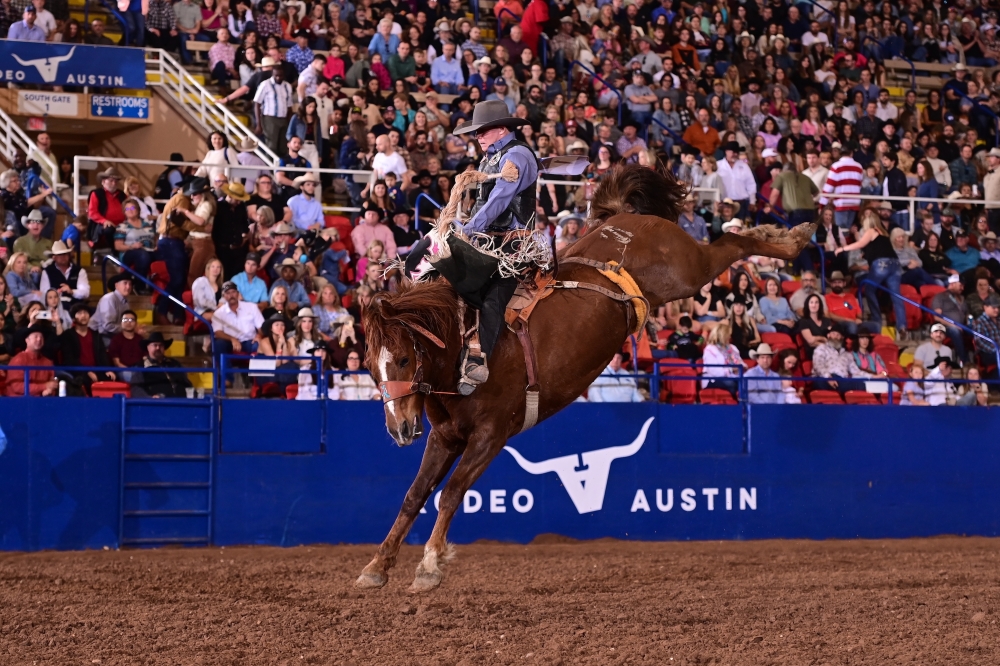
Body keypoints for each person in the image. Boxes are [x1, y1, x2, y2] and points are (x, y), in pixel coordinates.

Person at [406, 100, 539, 395]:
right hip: (487, 241)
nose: (477, 137)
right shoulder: (487, 162)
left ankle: (479, 361)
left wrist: (467, 230)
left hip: (511, 246)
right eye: (476, 133)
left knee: (494, 298)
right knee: (428, 266)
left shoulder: (516, 155)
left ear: (501, 129)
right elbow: (483, 202)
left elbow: (500, 200)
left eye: (482, 131)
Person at [836, 210, 908, 337]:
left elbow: (860, 243)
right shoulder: (884, 233)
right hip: (895, 265)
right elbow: (873, 248)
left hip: (881, 264)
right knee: (896, 296)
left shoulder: (872, 230)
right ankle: (902, 326)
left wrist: (842, 249)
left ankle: (877, 320)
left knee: (869, 289)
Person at [58, 303, 115, 395]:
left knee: (111, 378)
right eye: (79, 313)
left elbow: (102, 354)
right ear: (74, 318)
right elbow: (69, 359)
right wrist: (87, 371)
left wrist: (107, 369)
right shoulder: (68, 335)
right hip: (78, 370)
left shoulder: (96, 335)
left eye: (85, 313)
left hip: (96, 369)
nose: (83, 315)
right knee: (84, 380)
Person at [132, 333, 193, 398]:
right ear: (148, 347)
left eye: (161, 345)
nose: (158, 348)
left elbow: (186, 383)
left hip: (181, 402)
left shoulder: (175, 363)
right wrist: (150, 398)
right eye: (155, 345)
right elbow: (136, 389)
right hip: (157, 404)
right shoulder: (141, 366)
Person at [253, 60, 294, 157]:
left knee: (283, 146)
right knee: (271, 146)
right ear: (273, 74)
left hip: (284, 119)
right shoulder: (265, 84)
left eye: (280, 75)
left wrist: (289, 122)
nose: (278, 77)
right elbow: (257, 103)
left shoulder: (287, 86)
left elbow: (289, 106)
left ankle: (280, 170)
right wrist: (259, 124)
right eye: (276, 75)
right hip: (270, 118)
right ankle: (270, 170)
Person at [211, 280, 263, 355]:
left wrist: (259, 336)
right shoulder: (218, 313)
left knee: (259, 344)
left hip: (249, 340)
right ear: (224, 297)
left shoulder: (252, 307)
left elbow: (261, 327)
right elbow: (218, 333)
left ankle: (256, 367)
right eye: (228, 293)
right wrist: (232, 339)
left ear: (238, 293)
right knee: (218, 344)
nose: (231, 295)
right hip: (229, 341)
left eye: (233, 292)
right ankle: (226, 367)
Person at [5, 324, 56, 397]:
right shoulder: (18, 360)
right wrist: (44, 387)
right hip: (18, 402)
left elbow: (52, 384)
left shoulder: (48, 362)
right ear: (27, 340)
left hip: (41, 401)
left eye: (41, 337)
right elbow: (17, 387)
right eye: (36, 337)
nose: (39, 339)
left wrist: (49, 390)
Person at [114, 198, 157, 281]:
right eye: (127, 209)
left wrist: (156, 246)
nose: (130, 210)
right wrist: (132, 246)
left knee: (166, 254)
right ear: (124, 212)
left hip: (149, 250)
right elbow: (118, 246)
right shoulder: (122, 226)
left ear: (138, 210)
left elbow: (154, 238)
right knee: (143, 255)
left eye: (133, 208)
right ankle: (139, 284)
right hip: (130, 252)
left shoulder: (147, 223)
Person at [39, 241, 89, 310]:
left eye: (65, 254)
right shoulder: (47, 271)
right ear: (54, 257)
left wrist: (71, 291)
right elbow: (44, 292)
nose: (63, 257)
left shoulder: (79, 271)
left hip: (76, 306)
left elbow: (85, 292)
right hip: (55, 307)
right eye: (60, 255)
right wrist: (56, 294)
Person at [931, 274, 970, 362]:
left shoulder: (963, 298)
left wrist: (970, 321)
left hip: (962, 326)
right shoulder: (940, 297)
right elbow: (937, 317)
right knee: (954, 330)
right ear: (952, 284)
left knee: (977, 328)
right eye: (960, 285)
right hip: (946, 327)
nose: (962, 288)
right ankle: (964, 360)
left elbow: (967, 314)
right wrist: (953, 325)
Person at [700, 322, 743, 396]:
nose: (730, 337)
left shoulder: (733, 348)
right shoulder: (710, 349)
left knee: (747, 382)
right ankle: (734, 406)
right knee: (731, 384)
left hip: (734, 376)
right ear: (722, 335)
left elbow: (740, 362)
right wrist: (731, 369)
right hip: (713, 379)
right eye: (728, 335)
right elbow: (714, 371)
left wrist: (743, 367)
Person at [811, 326, 859, 392]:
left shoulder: (847, 354)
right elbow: (818, 365)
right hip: (824, 378)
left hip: (842, 381)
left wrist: (872, 377)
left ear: (842, 337)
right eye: (833, 333)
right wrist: (828, 377)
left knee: (860, 384)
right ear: (828, 335)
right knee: (819, 383)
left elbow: (856, 371)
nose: (835, 337)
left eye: (838, 335)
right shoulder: (821, 348)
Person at [87, 168, 126, 249]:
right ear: (103, 181)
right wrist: (104, 221)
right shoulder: (96, 194)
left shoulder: (122, 195)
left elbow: (129, 207)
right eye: (111, 181)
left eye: (116, 181)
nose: (114, 183)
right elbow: (92, 212)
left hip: (122, 225)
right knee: (109, 230)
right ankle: (115, 251)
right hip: (102, 225)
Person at [90, 273, 132, 343]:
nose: (128, 287)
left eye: (130, 284)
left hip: (111, 334)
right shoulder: (109, 299)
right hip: (98, 335)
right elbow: (108, 326)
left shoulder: (126, 303)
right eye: (125, 283)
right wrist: (128, 328)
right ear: (116, 285)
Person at [972, 294, 1000, 372]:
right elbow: (979, 341)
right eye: (993, 308)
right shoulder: (979, 321)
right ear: (985, 307)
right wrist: (997, 350)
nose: (996, 310)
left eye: (997, 307)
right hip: (987, 353)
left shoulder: (998, 320)